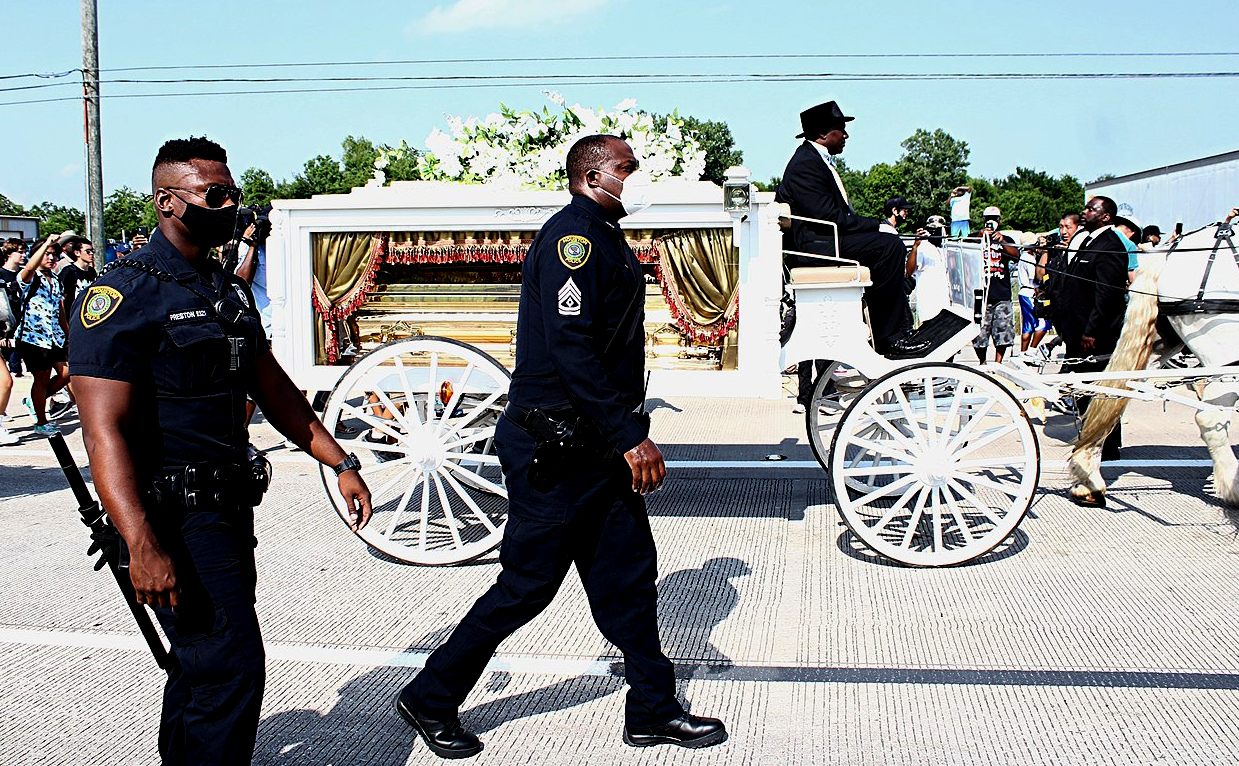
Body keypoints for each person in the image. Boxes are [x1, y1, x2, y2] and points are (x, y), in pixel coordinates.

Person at [396, 134, 726, 759]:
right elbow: (571, 349)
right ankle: (432, 695)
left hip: (592, 445)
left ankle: (652, 709)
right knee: (527, 587)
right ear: (595, 175)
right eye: (630, 167)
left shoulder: (601, 234)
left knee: (628, 579)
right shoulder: (573, 239)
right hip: (556, 446)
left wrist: (619, 434)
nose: (639, 177)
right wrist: (633, 437)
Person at [68, 136, 372, 765]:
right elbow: (104, 432)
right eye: (216, 194)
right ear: (167, 203)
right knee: (231, 668)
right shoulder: (122, 296)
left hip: (227, 508)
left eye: (231, 191)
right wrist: (141, 543)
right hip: (170, 515)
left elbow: (273, 386)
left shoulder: (224, 289)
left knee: (202, 665)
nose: (231, 203)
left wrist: (338, 460)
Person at [775, 99, 926, 361]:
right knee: (888, 247)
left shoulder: (814, 160)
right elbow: (830, 216)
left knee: (886, 245)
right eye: (840, 129)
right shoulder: (806, 164)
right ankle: (888, 336)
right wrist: (879, 225)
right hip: (816, 247)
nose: (846, 135)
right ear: (823, 134)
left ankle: (898, 324)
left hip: (824, 240)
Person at [1054, 195, 1129, 466]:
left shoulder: (1110, 245)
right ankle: (1092, 437)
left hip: (1095, 335)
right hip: (1077, 330)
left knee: (1102, 389)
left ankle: (1107, 446)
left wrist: (1091, 331)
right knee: (1084, 390)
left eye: (1091, 209)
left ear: (1106, 216)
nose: (1085, 212)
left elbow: (1106, 295)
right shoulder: (1088, 240)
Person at [15, 234, 70, 435]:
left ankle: (34, 400)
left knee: (66, 374)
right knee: (42, 378)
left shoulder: (55, 280)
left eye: (54, 255)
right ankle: (41, 421)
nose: (51, 258)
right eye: (47, 254)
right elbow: (29, 269)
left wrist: (68, 333)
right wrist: (47, 242)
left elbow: (60, 310)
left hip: (54, 336)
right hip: (33, 337)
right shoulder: (29, 277)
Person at [971, 206, 1018, 363]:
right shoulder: (975, 236)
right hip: (981, 294)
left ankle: (998, 362)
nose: (991, 222)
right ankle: (982, 361)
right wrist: (979, 236)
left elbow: (1016, 256)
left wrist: (1002, 240)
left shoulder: (1006, 239)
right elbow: (965, 249)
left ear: (1000, 220)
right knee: (979, 334)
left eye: (995, 219)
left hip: (1001, 293)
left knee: (1003, 332)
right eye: (988, 219)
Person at [909, 215, 951, 324]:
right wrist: (915, 247)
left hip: (944, 304)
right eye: (932, 230)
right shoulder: (923, 247)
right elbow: (909, 271)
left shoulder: (944, 248)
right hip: (929, 306)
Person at [59, 235, 97, 320]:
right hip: (72, 317)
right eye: (88, 251)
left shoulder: (92, 272)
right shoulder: (68, 271)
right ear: (77, 253)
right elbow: (61, 300)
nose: (91, 254)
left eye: (92, 251)